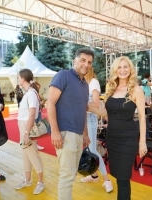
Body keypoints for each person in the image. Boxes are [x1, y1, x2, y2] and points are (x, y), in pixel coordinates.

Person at [88, 56, 147, 200]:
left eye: (125, 67)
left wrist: (142, 141)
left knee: (123, 177)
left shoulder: (136, 90)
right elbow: (107, 113)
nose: (122, 70)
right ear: (115, 70)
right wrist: (88, 107)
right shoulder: (111, 88)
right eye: (119, 67)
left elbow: (142, 117)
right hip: (112, 138)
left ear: (130, 69)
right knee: (117, 176)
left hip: (127, 139)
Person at [47, 47, 93, 200]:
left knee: (71, 174)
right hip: (65, 134)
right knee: (67, 177)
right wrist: (55, 131)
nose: (86, 64)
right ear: (75, 60)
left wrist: (85, 133)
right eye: (83, 60)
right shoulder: (63, 75)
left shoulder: (85, 85)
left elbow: (82, 110)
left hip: (78, 135)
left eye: (89, 62)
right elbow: (50, 103)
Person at [80, 67, 113, 192]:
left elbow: (96, 104)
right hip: (82, 120)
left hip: (90, 119)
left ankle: (106, 180)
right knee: (88, 149)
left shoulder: (93, 82)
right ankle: (94, 175)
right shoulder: (83, 83)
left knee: (93, 149)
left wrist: (81, 104)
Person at [15, 69, 45, 195]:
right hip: (24, 126)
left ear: (23, 78)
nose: (18, 79)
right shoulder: (28, 92)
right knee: (25, 154)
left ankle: (40, 183)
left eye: (18, 77)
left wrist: (27, 132)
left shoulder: (31, 93)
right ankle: (27, 180)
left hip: (27, 127)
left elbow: (32, 114)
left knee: (32, 154)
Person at [34, 81, 45, 151]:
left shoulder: (37, 95)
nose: (38, 89)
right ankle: (34, 145)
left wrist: (42, 104)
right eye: (37, 88)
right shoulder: (32, 94)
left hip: (38, 113)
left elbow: (40, 105)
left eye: (39, 88)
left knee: (38, 129)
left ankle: (36, 144)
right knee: (35, 129)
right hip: (34, 114)